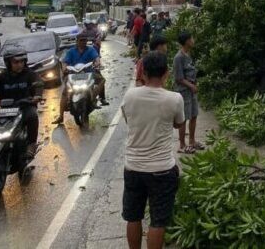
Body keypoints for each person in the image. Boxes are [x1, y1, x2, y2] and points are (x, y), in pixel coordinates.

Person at [121, 51, 185, 249]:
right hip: (162, 170)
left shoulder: (130, 95)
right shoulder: (175, 99)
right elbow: (178, 123)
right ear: (166, 73)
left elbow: (128, 121)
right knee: (158, 221)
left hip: (133, 168)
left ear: (144, 73)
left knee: (133, 217)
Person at [0, 47, 43, 161]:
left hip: (25, 107)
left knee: (32, 116)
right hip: (6, 109)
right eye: (16, 62)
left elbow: (38, 84)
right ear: (8, 63)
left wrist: (37, 95)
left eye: (22, 61)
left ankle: (31, 145)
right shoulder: (1, 76)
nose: (19, 64)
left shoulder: (30, 74)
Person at [53, 32, 108, 125]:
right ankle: (61, 116)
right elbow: (65, 62)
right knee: (65, 92)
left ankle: (94, 97)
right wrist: (64, 68)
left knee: (102, 80)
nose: (83, 42)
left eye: (85, 40)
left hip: (88, 73)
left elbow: (96, 58)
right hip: (72, 74)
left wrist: (97, 63)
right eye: (81, 40)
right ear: (77, 41)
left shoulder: (91, 50)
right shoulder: (71, 52)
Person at [173, 32, 202, 154]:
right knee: (184, 117)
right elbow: (179, 78)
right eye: (191, 38)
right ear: (186, 41)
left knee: (194, 115)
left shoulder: (188, 54)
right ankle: (182, 144)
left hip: (192, 90)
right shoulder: (178, 57)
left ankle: (192, 141)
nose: (193, 40)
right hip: (184, 91)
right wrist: (191, 86)